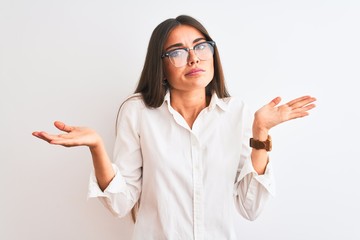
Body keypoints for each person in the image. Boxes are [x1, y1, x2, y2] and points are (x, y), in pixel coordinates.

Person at [32, 15, 316, 240]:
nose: (193, 58)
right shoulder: (138, 111)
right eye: (178, 52)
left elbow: (250, 207)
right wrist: (97, 148)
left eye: (201, 46)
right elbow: (120, 204)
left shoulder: (236, 112)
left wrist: (261, 133)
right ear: (161, 65)